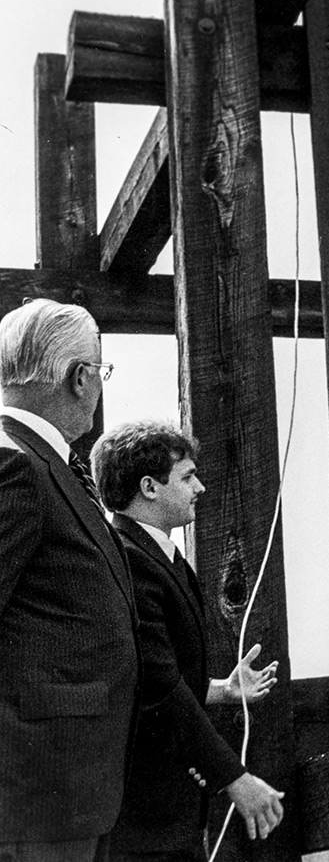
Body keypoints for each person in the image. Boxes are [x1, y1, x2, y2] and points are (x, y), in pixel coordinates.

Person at [92, 420, 285, 857]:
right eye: (187, 476)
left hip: (167, 811)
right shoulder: (130, 560)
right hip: (142, 818)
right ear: (149, 487)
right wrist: (235, 778)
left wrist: (220, 690)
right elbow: (157, 687)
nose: (200, 487)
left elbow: (155, 673)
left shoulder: (162, 555)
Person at [0, 298, 140, 859]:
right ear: (80, 378)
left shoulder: (37, 460)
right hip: (37, 792)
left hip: (62, 790)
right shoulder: (16, 465)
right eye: (100, 373)